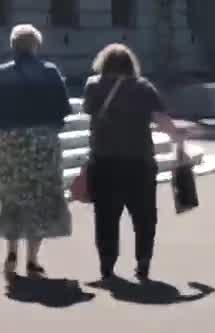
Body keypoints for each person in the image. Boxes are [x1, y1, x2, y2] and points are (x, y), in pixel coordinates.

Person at [83, 42, 187, 282]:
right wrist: (178, 137)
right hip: (138, 162)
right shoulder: (143, 88)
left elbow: (88, 112)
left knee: (106, 217)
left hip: (104, 161)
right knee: (144, 217)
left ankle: (107, 267)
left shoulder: (93, 86)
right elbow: (161, 120)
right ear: (131, 64)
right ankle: (143, 263)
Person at [0, 24, 73, 277]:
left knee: (12, 196)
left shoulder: (3, 74)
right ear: (35, 45)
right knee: (41, 197)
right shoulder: (50, 72)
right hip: (43, 140)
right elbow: (64, 109)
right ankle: (32, 259)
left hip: (10, 142)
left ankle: (10, 251)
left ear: (13, 45)